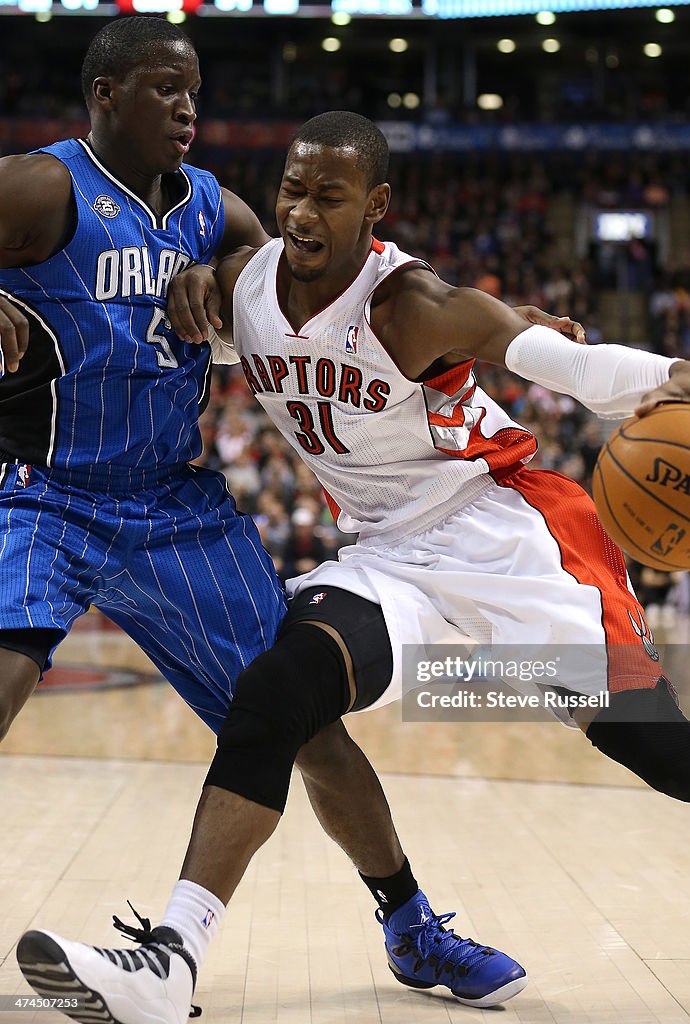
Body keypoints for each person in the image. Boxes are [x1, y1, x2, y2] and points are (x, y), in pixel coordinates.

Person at [21, 110, 690, 1024]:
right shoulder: (246, 287)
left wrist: (677, 371)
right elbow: (214, 320)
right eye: (291, 190)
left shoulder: (415, 305)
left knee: (675, 759)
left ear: (376, 206)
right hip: (391, 559)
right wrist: (190, 288)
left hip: (509, 547)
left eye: (330, 194)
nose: (304, 211)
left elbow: (565, 362)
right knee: (278, 691)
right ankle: (172, 959)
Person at [2, 33, 554, 1014]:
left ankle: (411, 925)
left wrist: (223, 279)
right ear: (104, 93)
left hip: (174, 500)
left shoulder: (218, 208)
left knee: (298, 712)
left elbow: (274, 283)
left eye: (195, 91)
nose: (187, 108)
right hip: (48, 490)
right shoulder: (44, 188)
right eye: (165, 89)